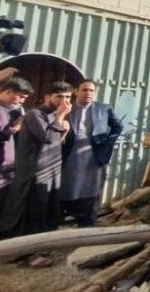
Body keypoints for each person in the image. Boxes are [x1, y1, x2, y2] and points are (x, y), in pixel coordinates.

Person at [0, 82, 72, 266]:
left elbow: (56, 141)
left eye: (68, 97)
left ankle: (35, 249)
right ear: (47, 97)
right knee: (31, 214)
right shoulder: (35, 114)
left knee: (46, 212)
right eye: (59, 97)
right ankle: (29, 255)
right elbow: (47, 137)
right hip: (33, 173)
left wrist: (63, 127)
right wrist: (61, 117)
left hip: (50, 171)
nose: (64, 101)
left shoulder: (54, 116)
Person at [60, 79, 124, 227]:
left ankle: (87, 221)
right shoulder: (67, 108)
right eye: (84, 90)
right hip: (70, 154)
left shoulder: (103, 108)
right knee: (68, 183)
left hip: (94, 155)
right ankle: (65, 217)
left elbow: (118, 126)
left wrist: (108, 142)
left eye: (91, 90)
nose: (88, 93)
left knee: (91, 186)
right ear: (76, 91)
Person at [0, 77, 33, 229]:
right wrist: (13, 129)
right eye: (21, 96)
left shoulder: (14, 110)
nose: (22, 101)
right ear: (8, 92)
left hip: (6, 166)